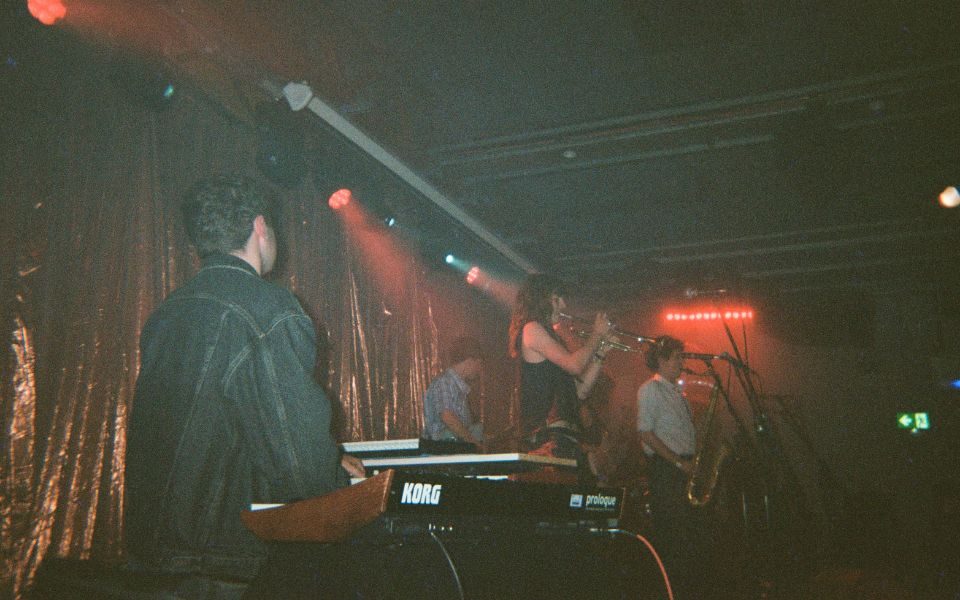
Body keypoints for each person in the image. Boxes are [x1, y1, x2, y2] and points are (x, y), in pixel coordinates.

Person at [124, 175, 364, 599]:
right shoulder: (269, 310)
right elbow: (301, 473)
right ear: (259, 227)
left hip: (155, 559)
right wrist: (342, 480)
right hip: (226, 567)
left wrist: (329, 457)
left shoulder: (167, 313)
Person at [507, 274, 612, 473]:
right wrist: (596, 335)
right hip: (547, 440)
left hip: (564, 438)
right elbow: (574, 365)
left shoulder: (550, 338)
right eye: (558, 298)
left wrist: (600, 354)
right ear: (542, 299)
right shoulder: (532, 329)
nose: (563, 305)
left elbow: (579, 391)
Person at [636, 335, 703, 597]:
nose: (682, 362)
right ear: (661, 360)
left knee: (687, 534)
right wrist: (677, 461)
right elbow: (645, 433)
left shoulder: (678, 392)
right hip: (666, 470)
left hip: (683, 467)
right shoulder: (650, 390)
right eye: (677, 357)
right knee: (672, 535)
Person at [422, 336, 485, 448]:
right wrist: (473, 441)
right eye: (479, 363)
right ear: (469, 361)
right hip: (442, 452)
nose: (480, 369)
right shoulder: (444, 382)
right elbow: (447, 417)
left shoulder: (459, 388)